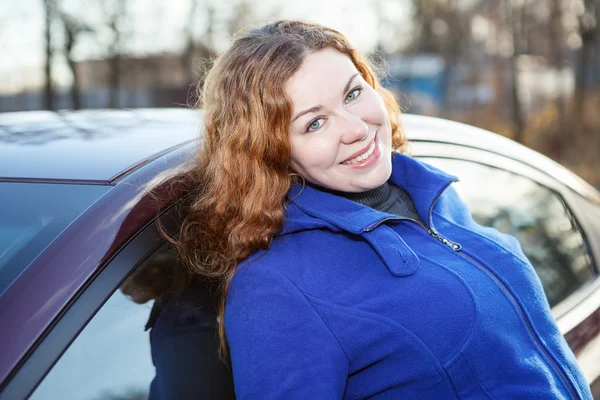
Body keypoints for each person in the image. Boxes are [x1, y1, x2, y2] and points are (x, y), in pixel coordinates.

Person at [171, 20, 593, 399]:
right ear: (268, 152)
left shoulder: (433, 194)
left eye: (353, 93)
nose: (356, 129)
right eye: (314, 123)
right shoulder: (274, 288)